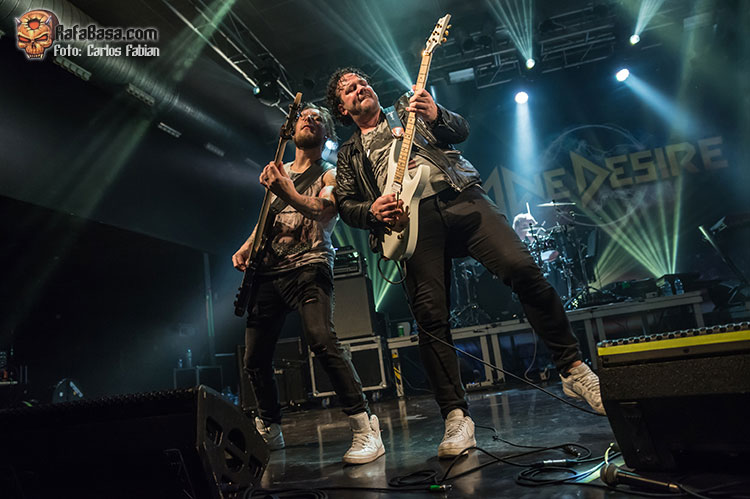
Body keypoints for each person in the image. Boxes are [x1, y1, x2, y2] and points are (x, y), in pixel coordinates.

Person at [326, 68, 605, 458]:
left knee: (522, 268)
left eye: (362, 83)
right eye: (349, 90)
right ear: (342, 109)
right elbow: (346, 204)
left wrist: (436, 114)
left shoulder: (406, 108)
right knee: (431, 318)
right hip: (411, 224)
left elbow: (459, 130)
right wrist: (372, 210)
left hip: (459, 197)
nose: (360, 89)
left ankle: (573, 368)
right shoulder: (349, 153)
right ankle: (456, 416)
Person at [232, 103, 384, 464]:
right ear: (292, 129)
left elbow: (323, 210)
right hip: (269, 271)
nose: (310, 119)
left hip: (310, 266)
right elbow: (267, 217)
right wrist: (248, 245)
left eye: (318, 119)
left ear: (326, 133)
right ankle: (270, 426)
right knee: (254, 359)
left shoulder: (330, 174)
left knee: (321, 340)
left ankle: (364, 425)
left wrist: (286, 190)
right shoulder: (278, 170)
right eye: (305, 116)